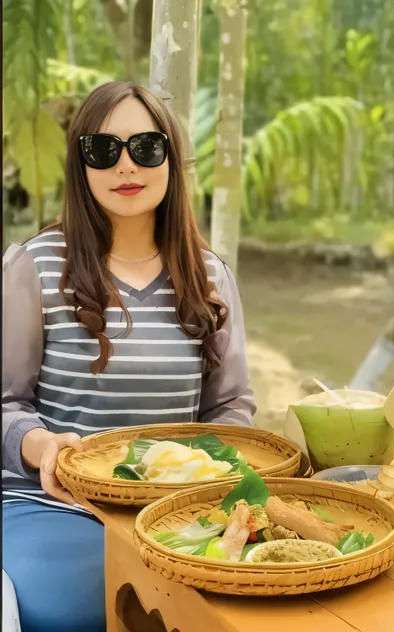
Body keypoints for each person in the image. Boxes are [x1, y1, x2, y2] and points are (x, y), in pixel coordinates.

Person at [2, 81, 256, 632]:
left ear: (170, 159)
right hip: (56, 506)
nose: (126, 166)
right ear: (82, 164)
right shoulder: (34, 266)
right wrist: (40, 444)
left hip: (180, 510)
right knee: (92, 610)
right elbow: (4, 404)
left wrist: (210, 481)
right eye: (103, 149)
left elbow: (231, 408)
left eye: (145, 147)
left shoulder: (210, 276)